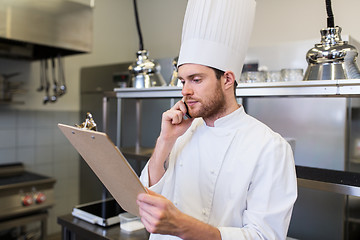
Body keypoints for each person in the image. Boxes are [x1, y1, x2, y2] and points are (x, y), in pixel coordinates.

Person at [136, 0, 297, 239]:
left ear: (227, 80)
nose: (185, 91)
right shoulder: (182, 131)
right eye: (183, 81)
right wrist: (165, 141)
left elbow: (265, 236)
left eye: (196, 80)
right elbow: (146, 198)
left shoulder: (269, 147)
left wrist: (183, 225)